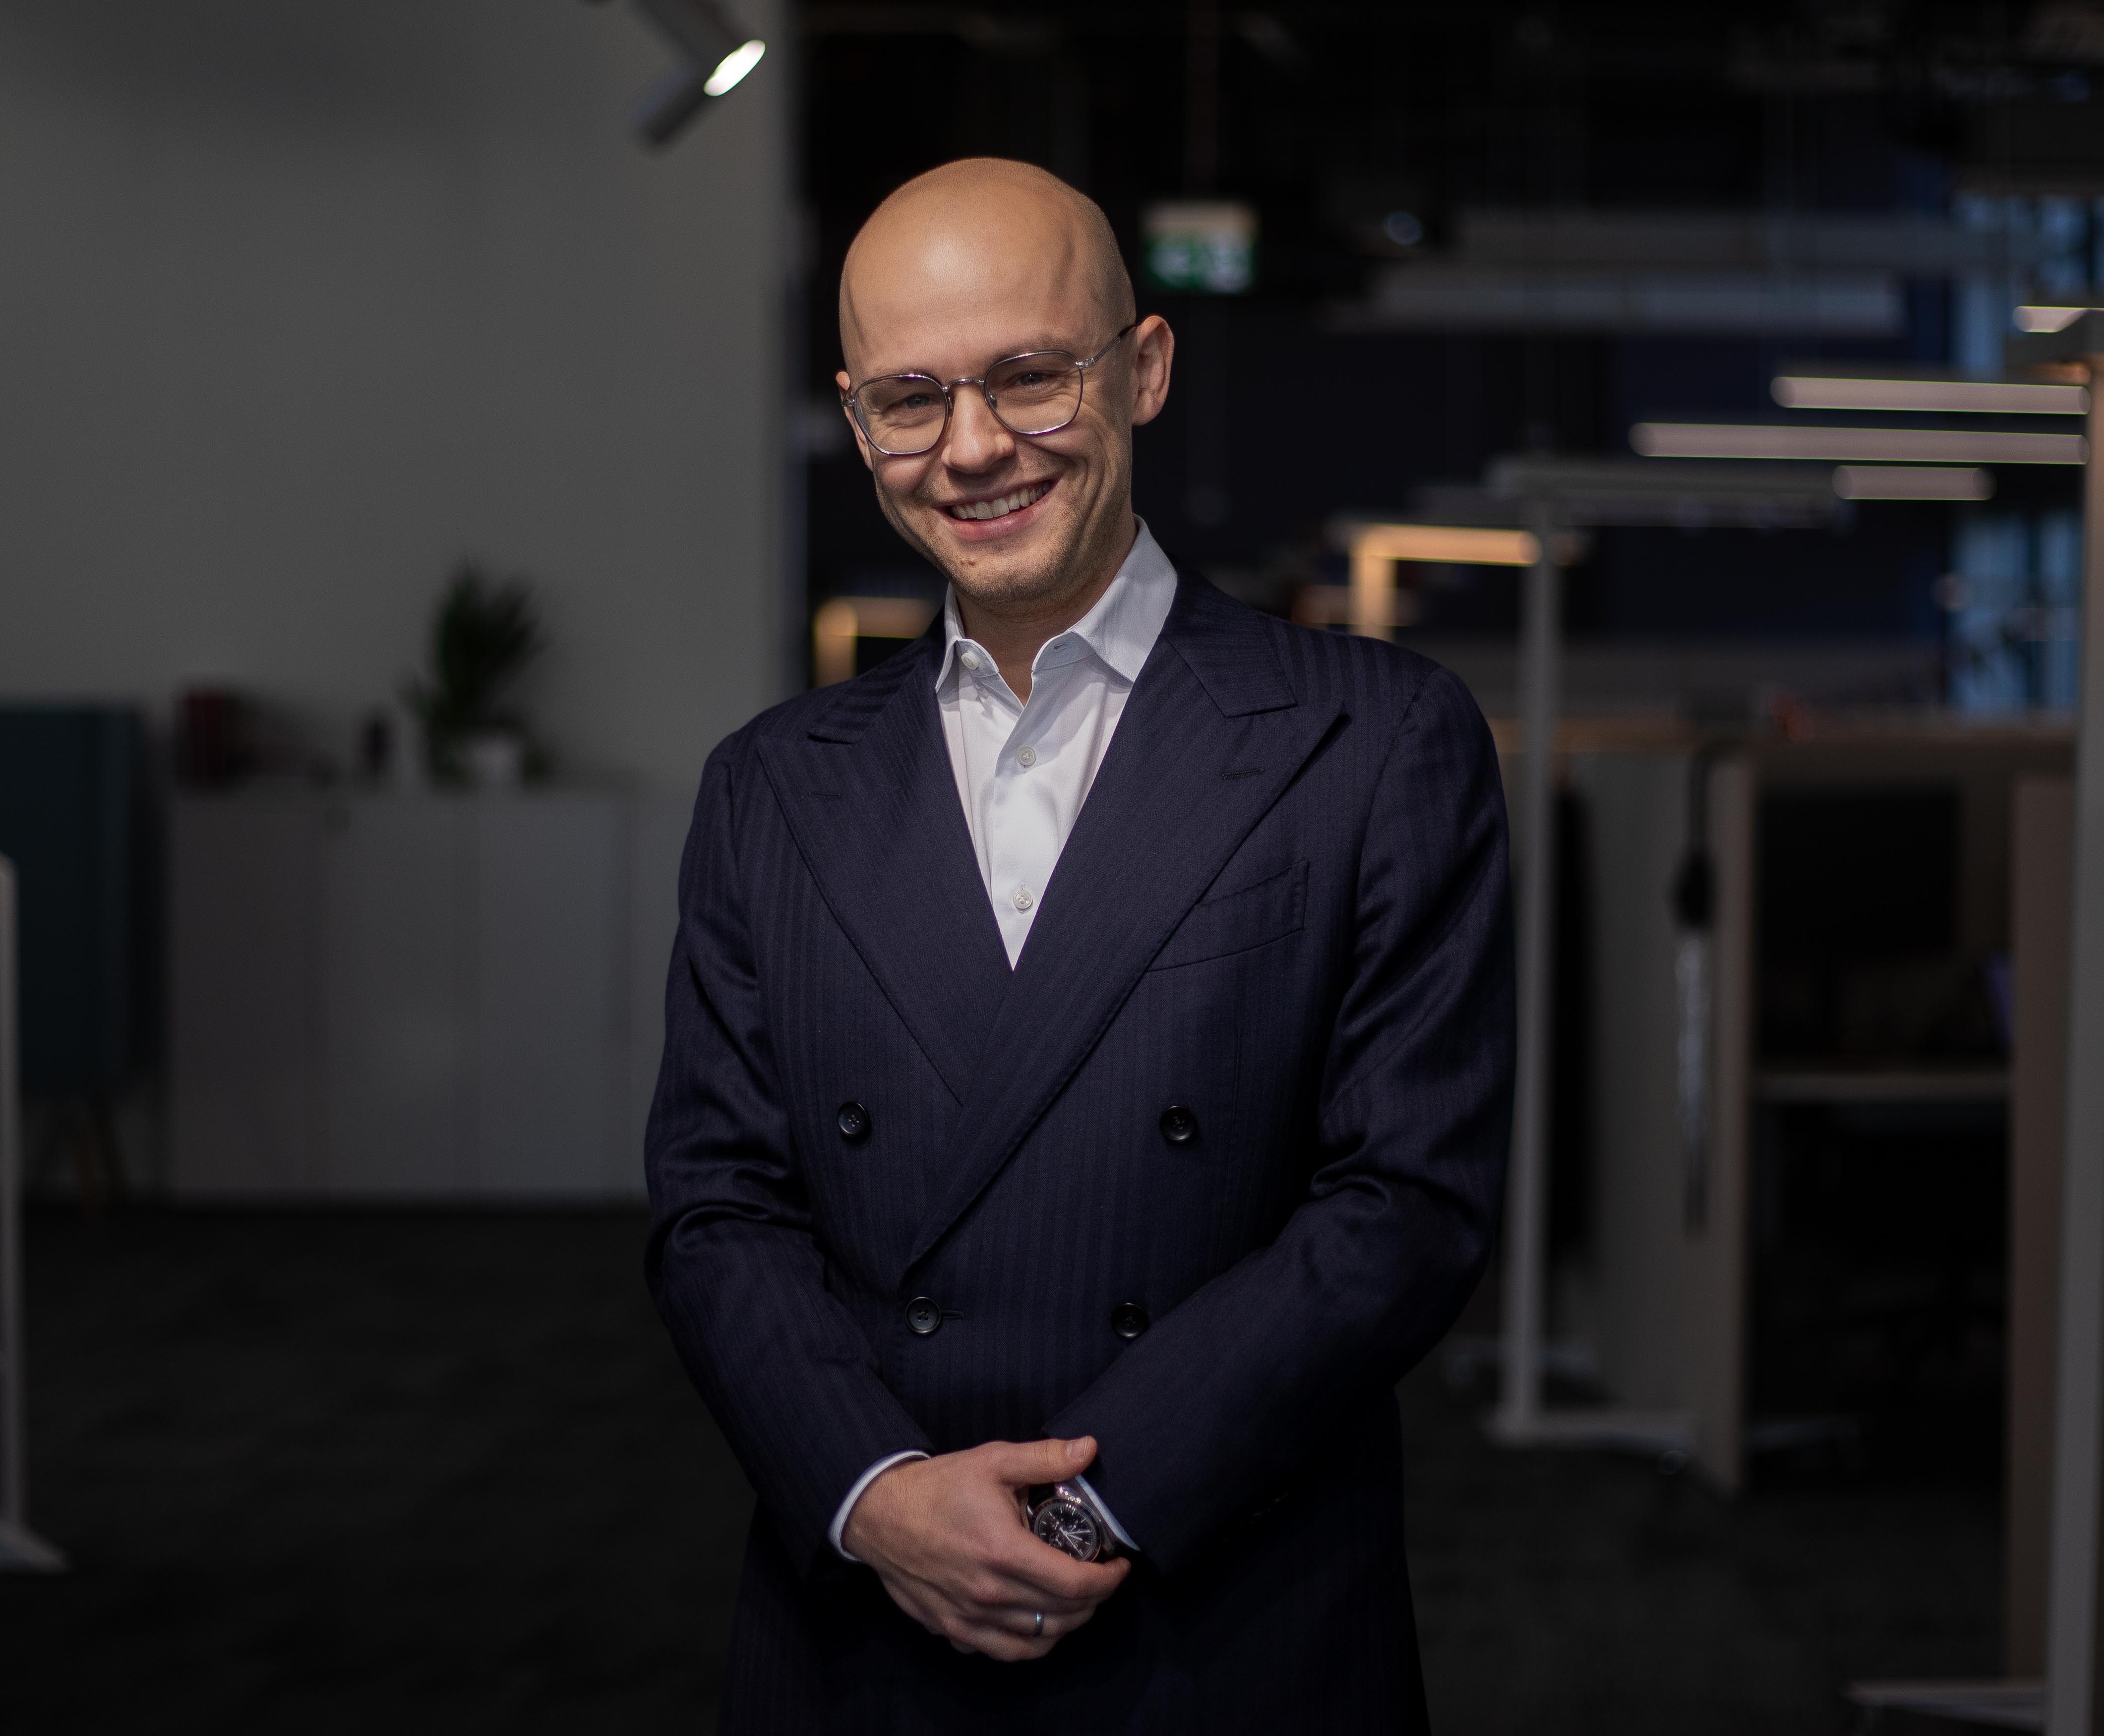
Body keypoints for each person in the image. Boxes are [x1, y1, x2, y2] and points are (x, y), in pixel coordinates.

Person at [645, 157, 1514, 1733]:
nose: (973, 447)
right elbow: (717, 1208)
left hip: (1223, 1609)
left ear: (1144, 367)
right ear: (855, 420)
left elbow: (1405, 1202)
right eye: (910, 399)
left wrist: (1078, 1513)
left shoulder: (1375, 738)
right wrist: (878, 1492)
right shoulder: (767, 786)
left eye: (1029, 376)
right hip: (862, 1624)